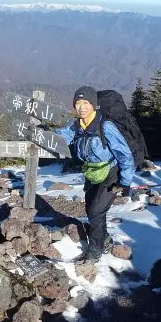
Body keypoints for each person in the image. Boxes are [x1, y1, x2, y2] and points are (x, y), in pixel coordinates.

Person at [56, 85, 134, 262]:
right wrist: (42, 134)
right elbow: (62, 137)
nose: (81, 107)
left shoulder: (105, 126)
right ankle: (104, 239)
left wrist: (125, 182)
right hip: (92, 172)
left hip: (111, 173)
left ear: (93, 105)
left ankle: (95, 251)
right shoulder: (77, 126)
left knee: (95, 212)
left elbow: (124, 154)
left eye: (86, 103)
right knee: (91, 208)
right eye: (78, 103)